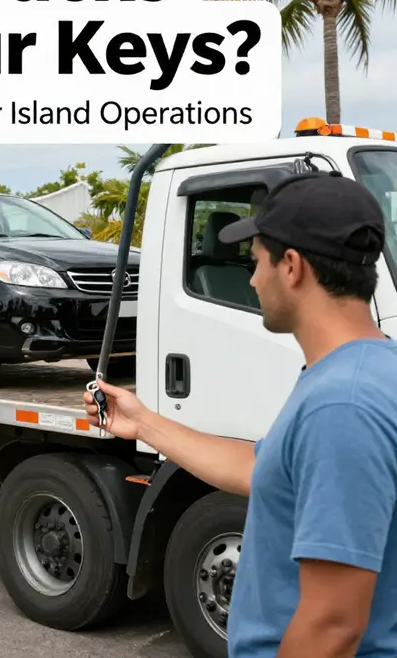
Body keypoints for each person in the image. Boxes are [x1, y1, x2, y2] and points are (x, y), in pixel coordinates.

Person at [83, 172, 397, 657]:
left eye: (256, 262)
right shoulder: (367, 368)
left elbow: (332, 626)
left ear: (291, 267)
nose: (251, 279)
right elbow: (259, 469)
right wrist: (143, 421)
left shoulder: (342, 405)